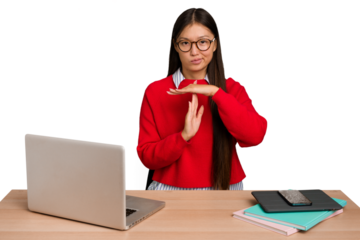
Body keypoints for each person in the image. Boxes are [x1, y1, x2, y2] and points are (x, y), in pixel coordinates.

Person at [136, 6, 268, 190]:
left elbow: (255, 137)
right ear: (175, 46)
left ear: (214, 44)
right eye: (185, 43)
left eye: (203, 42)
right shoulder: (155, 90)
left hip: (226, 188)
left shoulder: (232, 87)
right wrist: (183, 137)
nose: (195, 52)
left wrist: (217, 93)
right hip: (169, 190)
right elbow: (146, 156)